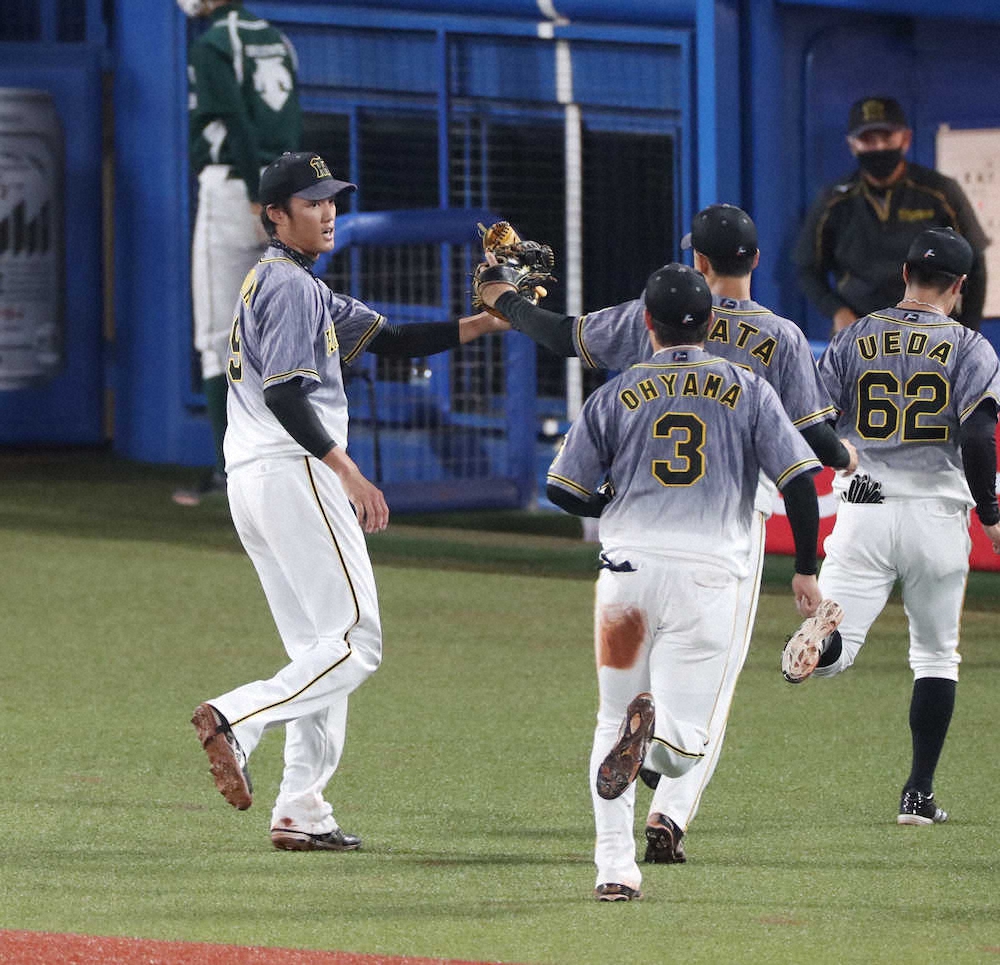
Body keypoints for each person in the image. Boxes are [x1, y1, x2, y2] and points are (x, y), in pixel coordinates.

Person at [477, 203, 856, 864]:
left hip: (640, 528)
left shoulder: (649, 311)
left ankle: (631, 829)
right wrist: (850, 463)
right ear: (755, 261)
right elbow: (815, 441)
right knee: (709, 693)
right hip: (727, 526)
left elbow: (562, 335)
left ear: (699, 263)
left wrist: (501, 297)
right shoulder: (782, 336)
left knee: (632, 687)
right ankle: (668, 814)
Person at [191, 151, 508, 850]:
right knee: (358, 642)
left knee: (319, 646)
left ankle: (302, 806)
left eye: (332, 199)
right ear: (275, 215)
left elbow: (389, 339)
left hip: (254, 479)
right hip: (295, 470)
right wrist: (347, 470)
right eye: (311, 202)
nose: (328, 211)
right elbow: (284, 393)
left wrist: (482, 324)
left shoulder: (285, 284)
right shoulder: (292, 288)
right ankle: (238, 717)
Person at [536, 262, 824, 901]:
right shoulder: (747, 387)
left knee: (612, 715)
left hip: (626, 578)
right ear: (714, 323)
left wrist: (615, 504)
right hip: (708, 579)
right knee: (688, 744)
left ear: (647, 323)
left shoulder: (614, 393)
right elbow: (800, 483)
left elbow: (562, 488)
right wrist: (805, 567)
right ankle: (657, 740)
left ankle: (613, 867)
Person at [781, 227, 1000, 826]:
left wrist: (847, 461)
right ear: (958, 285)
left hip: (866, 500)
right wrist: (992, 514)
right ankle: (917, 795)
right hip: (936, 510)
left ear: (904, 275)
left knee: (843, 649)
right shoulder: (970, 346)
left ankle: (819, 648)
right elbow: (980, 436)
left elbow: (813, 423)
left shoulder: (855, 336)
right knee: (935, 656)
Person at [173, 0, 303, 506]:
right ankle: (288, 469)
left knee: (216, 339)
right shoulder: (277, 37)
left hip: (236, 191)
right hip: (290, 193)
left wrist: (257, 193)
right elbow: (289, 125)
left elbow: (237, 124)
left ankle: (234, 472)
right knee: (282, 339)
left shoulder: (213, 44)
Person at [794, 95, 989, 335]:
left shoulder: (941, 192)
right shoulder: (833, 201)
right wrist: (837, 311)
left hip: (932, 333)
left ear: (905, 139)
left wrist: (967, 333)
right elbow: (807, 268)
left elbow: (976, 266)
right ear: (853, 144)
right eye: (867, 139)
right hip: (859, 332)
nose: (878, 147)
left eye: (886, 137)